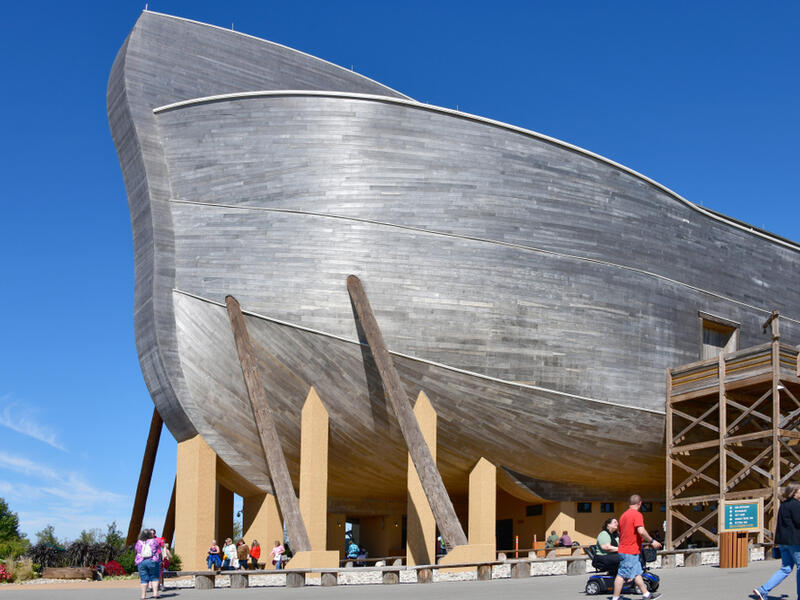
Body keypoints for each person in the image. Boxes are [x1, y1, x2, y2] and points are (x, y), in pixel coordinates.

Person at [754, 482, 800, 600]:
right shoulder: (795, 505)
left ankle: (762, 590)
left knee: (786, 568)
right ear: (795, 492)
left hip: (783, 542)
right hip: (795, 542)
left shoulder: (783, 505)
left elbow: (779, 524)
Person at [612, 495, 661, 600]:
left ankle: (646, 594)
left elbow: (622, 531)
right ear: (640, 504)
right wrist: (652, 541)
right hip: (629, 550)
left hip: (628, 549)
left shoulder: (623, 516)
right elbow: (641, 531)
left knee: (637, 573)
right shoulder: (637, 515)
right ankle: (615, 598)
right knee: (621, 575)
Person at [135, 529, 160, 600]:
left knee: (143, 579)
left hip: (141, 561)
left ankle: (143, 596)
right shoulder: (154, 541)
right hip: (152, 560)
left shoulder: (139, 542)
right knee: (154, 577)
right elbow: (157, 548)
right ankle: (155, 593)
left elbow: (136, 549)